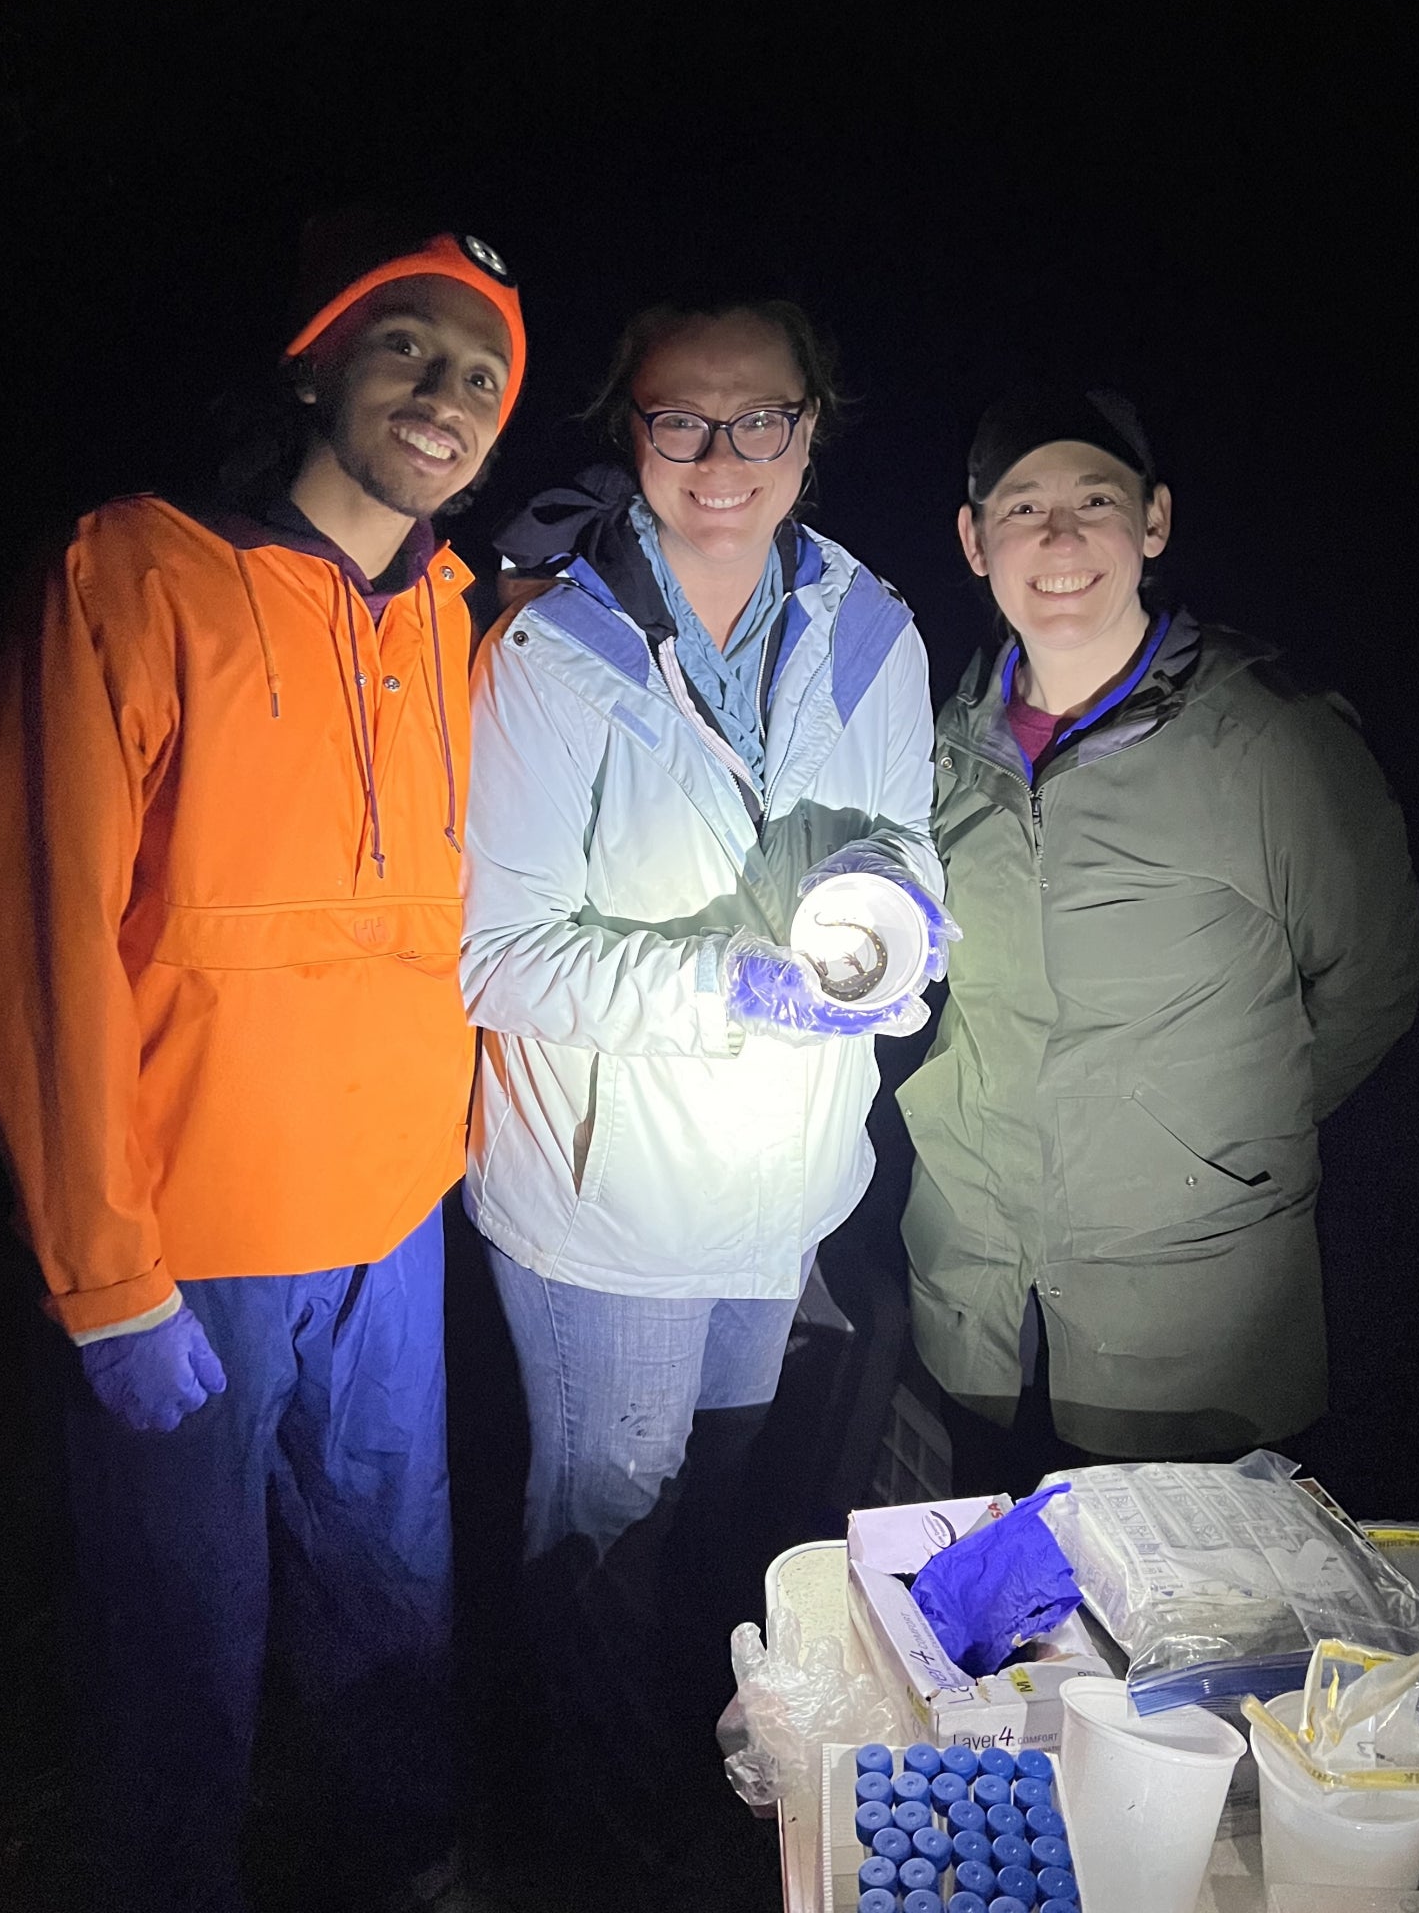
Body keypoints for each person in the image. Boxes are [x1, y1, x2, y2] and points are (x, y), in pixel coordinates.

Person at [0, 221, 527, 1913]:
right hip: (188, 1236)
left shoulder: (453, 613)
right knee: (180, 1632)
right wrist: (101, 1273)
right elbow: (31, 934)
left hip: (391, 1219)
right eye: (410, 348)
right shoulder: (132, 574)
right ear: (317, 362)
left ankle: (397, 1865)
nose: (449, 394)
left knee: (390, 1592)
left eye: (485, 376)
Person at [458, 300, 951, 1878]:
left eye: (759, 421)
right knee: (607, 1533)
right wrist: (729, 988)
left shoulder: (870, 627)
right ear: (632, 434)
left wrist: (897, 930)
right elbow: (500, 956)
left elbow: (907, 853)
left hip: (780, 1193)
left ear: (813, 428)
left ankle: (696, 1777)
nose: (721, 458)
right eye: (681, 421)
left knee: (719, 1514)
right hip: (607, 1209)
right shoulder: (552, 650)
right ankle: (592, 1836)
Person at [900, 384, 1419, 1494]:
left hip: (1194, 1330)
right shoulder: (943, 737)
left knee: (1193, 1654)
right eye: (1022, 505)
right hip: (982, 1307)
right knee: (991, 1651)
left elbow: (1375, 980)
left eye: (1094, 499)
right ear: (972, 539)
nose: (1057, 537)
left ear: (1153, 522)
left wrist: (1208, 1146)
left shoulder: (1269, 737)